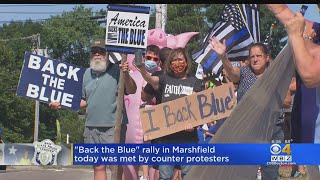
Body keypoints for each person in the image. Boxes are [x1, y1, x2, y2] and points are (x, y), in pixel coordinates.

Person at [50, 39, 137, 180]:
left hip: (113, 127)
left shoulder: (118, 70)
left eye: (101, 51)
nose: (97, 54)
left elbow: (131, 89)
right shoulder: (85, 74)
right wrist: (62, 104)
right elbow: (84, 101)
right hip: (90, 127)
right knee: (98, 165)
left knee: (115, 165)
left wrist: (126, 74)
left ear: (107, 53)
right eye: (94, 51)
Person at [209, 38, 284, 179]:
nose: (255, 59)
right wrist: (223, 56)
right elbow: (232, 73)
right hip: (248, 129)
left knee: (271, 171)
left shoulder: (277, 74)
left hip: (273, 129)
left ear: (267, 57)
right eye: (252, 56)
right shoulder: (244, 72)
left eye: (259, 56)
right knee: (244, 170)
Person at [135, 47, 203, 180]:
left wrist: (193, 124)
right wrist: (142, 69)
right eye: (174, 60)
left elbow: (197, 108)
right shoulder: (164, 79)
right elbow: (151, 79)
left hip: (188, 139)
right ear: (169, 63)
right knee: (165, 176)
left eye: (180, 60)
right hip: (166, 139)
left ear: (187, 62)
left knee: (188, 175)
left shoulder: (195, 81)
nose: (177, 63)